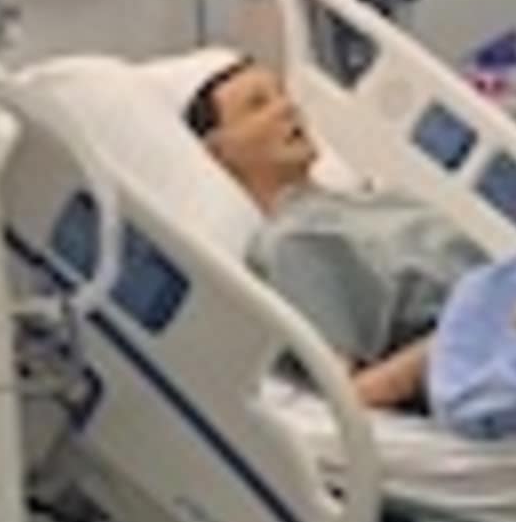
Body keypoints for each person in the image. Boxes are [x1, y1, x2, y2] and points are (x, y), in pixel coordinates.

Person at [184, 56, 485, 414]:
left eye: (282, 94)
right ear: (220, 151)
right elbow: (347, 399)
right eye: (258, 104)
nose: (286, 108)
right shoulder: (293, 241)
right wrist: (463, 336)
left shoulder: (372, 200)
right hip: (484, 345)